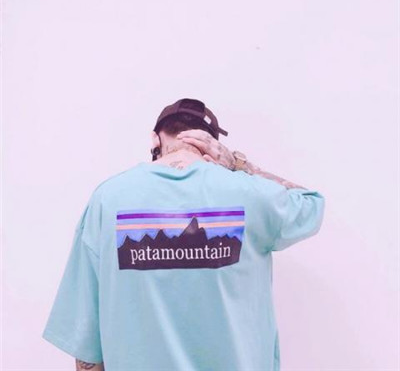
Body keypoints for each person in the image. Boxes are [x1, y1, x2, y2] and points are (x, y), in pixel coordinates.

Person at [42, 98, 325, 371]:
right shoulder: (250, 194)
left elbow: (86, 338)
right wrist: (239, 164)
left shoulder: (108, 199)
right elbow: (311, 204)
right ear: (212, 144)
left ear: (155, 140)